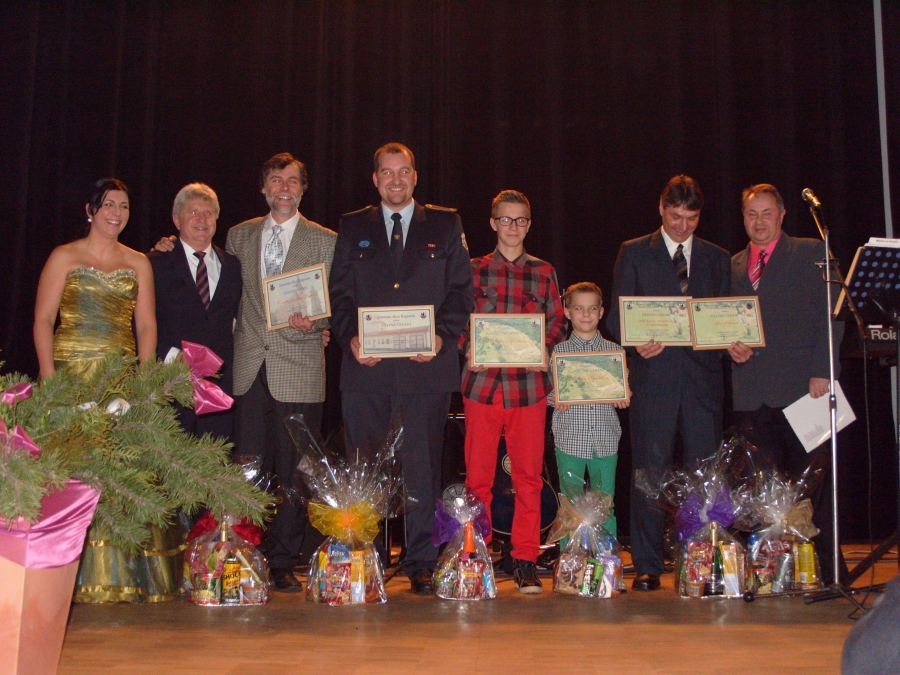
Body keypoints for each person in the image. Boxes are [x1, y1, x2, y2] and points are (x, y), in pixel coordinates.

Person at [154, 153, 337, 593]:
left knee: (294, 472)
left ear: (303, 189)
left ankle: (283, 561)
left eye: (292, 181)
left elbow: (340, 300)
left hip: (300, 368)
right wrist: (165, 247)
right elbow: (217, 280)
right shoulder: (239, 235)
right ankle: (244, 553)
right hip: (249, 367)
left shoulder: (327, 240)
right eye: (276, 180)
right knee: (246, 470)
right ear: (263, 188)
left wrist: (320, 323)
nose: (284, 188)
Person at [329, 142, 474, 595]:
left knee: (422, 467)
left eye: (403, 171)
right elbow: (339, 295)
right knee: (365, 469)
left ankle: (421, 561)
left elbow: (462, 293)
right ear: (375, 179)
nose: (396, 180)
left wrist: (442, 336)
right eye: (387, 172)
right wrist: (350, 338)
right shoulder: (353, 226)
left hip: (424, 368)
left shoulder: (446, 224)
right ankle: (365, 558)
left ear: (415, 176)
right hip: (366, 369)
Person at [33, 178, 179, 603]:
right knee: (72, 474)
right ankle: (62, 573)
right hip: (70, 374)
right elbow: (43, 319)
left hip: (119, 379)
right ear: (90, 210)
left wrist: (144, 382)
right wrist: (49, 376)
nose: (117, 213)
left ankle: (123, 576)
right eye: (109, 204)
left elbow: (146, 325)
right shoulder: (64, 256)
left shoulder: (138, 262)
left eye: (124, 206)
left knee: (123, 473)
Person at [606, 175, 731, 591]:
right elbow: (617, 317)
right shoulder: (634, 251)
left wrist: (734, 341)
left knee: (705, 474)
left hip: (703, 382)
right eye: (675, 216)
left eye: (691, 219)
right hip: (654, 379)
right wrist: (635, 342)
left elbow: (727, 316)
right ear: (661, 208)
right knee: (648, 472)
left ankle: (703, 561)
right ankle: (647, 564)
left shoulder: (717, 257)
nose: (682, 226)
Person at [726, 183, 845, 584]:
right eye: (751, 214)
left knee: (817, 487)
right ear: (743, 218)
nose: (759, 221)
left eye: (766, 213)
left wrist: (824, 369)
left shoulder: (812, 252)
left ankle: (830, 572)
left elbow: (833, 313)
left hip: (804, 389)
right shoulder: (733, 264)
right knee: (762, 490)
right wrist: (728, 347)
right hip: (751, 392)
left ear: (781, 215)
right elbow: (721, 321)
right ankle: (773, 575)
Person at [458, 189, 565, 594]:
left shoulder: (544, 272)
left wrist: (544, 349)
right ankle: (477, 561)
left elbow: (557, 323)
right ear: (492, 223)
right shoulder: (472, 270)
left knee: (529, 479)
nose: (513, 227)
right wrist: (469, 348)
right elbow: (456, 319)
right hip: (482, 386)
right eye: (505, 219)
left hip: (528, 389)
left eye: (521, 220)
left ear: (529, 224)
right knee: (478, 481)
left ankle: (525, 560)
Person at [149, 183, 242, 441]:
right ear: (176, 220)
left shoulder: (233, 266)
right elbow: (139, 324)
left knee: (216, 462)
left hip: (219, 393)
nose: (202, 219)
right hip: (169, 386)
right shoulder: (154, 264)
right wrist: (173, 357)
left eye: (208, 213)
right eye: (193, 212)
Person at [551, 282, 628, 538]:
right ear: (567, 312)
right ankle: (569, 560)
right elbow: (547, 392)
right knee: (569, 507)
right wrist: (555, 398)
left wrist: (623, 396)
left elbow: (622, 389)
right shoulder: (558, 352)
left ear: (601, 312)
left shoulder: (615, 352)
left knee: (605, 504)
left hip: (605, 439)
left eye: (592, 308)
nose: (586, 314)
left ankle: (606, 559)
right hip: (569, 438)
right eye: (578, 308)